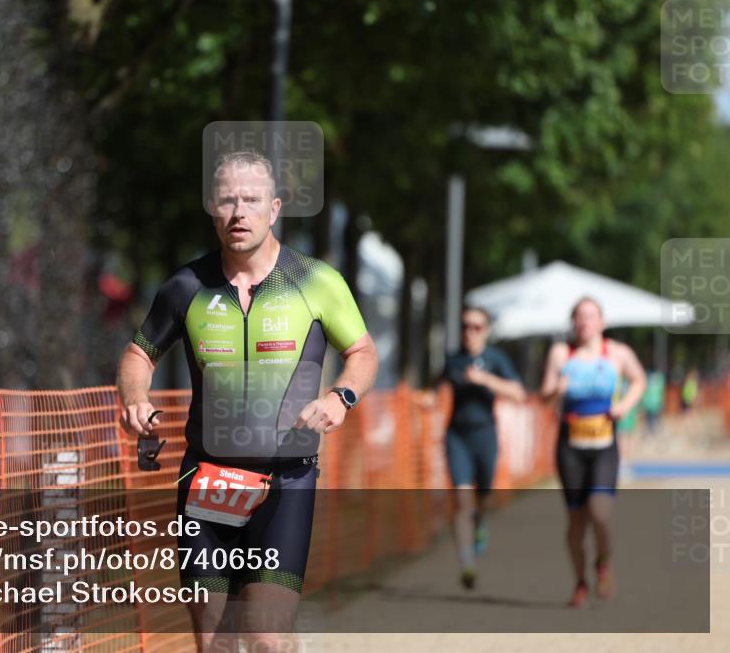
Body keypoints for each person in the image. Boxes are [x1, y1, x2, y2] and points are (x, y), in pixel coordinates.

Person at [116, 150, 378, 652]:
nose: (239, 212)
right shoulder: (185, 287)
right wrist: (134, 400)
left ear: (274, 209)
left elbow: (363, 352)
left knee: (263, 636)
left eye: (252, 200)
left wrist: (341, 396)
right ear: (212, 208)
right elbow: (137, 355)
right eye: (227, 201)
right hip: (207, 479)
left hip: (286, 482)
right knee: (213, 643)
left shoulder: (315, 280)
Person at [540, 297, 645, 608]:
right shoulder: (561, 353)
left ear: (602, 321)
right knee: (576, 521)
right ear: (573, 323)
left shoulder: (617, 353)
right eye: (579, 316)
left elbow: (639, 379)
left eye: (591, 316)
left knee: (599, 511)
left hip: (604, 445)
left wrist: (624, 406)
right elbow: (543, 396)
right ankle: (579, 582)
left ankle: (603, 561)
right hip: (570, 445)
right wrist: (555, 390)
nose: (585, 322)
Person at [440, 306, 526, 590]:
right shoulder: (454, 360)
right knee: (462, 499)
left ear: (486, 331)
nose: (469, 332)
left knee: (483, 497)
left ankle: (481, 521)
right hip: (457, 436)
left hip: (486, 435)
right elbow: (437, 387)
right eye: (465, 326)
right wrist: (428, 399)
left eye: (476, 327)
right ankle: (467, 564)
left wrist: (485, 380)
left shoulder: (495, 359)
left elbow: (519, 393)